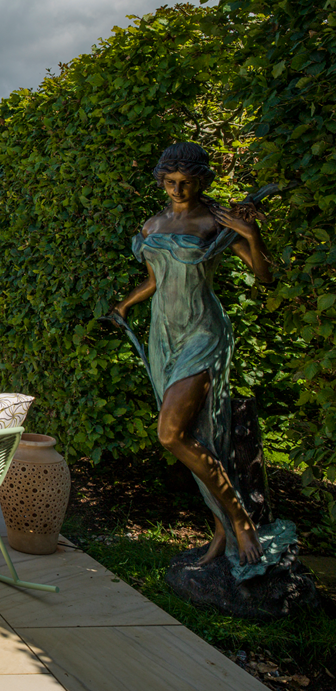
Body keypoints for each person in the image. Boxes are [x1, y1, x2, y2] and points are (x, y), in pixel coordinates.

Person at [110, 141, 273, 568]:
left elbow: (264, 277)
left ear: (201, 181)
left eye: (187, 182)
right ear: (161, 181)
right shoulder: (152, 225)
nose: (179, 189)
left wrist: (251, 235)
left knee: (171, 434)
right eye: (170, 182)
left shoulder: (215, 221)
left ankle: (241, 522)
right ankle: (220, 528)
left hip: (204, 331)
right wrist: (126, 305)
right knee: (198, 435)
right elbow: (156, 280)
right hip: (163, 334)